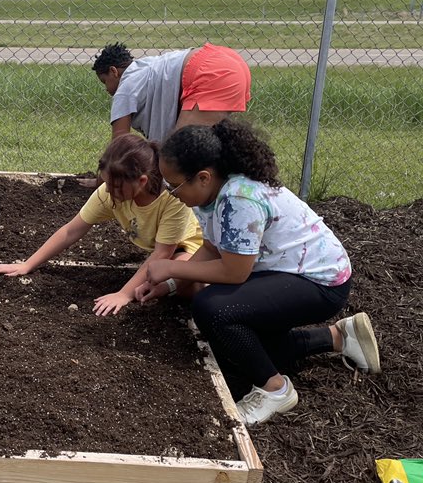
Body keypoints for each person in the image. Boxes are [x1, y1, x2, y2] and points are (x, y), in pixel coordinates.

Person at [136, 119, 380, 426]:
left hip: (320, 283)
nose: (171, 193)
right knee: (234, 347)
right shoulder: (211, 193)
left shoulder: (239, 198)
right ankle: (340, 337)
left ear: (202, 177)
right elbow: (212, 248)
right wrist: (170, 284)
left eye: (175, 185)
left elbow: (234, 271)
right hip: (289, 274)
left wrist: (169, 265)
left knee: (213, 309)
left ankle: (275, 391)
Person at [0, 134, 203, 316]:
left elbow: (162, 254)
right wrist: (27, 265)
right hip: (161, 254)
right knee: (154, 282)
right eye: (106, 182)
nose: (108, 190)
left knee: (181, 284)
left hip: (189, 249)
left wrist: (123, 294)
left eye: (114, 185)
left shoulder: (172, 200)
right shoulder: (110, 194)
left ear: (142, 182)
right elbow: (72, 230)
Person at [92, 40, 251, 144]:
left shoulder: (124, 89)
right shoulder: (147, 66)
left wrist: (103, 181)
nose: (106, 89)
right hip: (230, 61)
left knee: (176, 156)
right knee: (217, 146)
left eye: (104, 82)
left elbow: (119, 144)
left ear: (114, 71)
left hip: (210, 72)